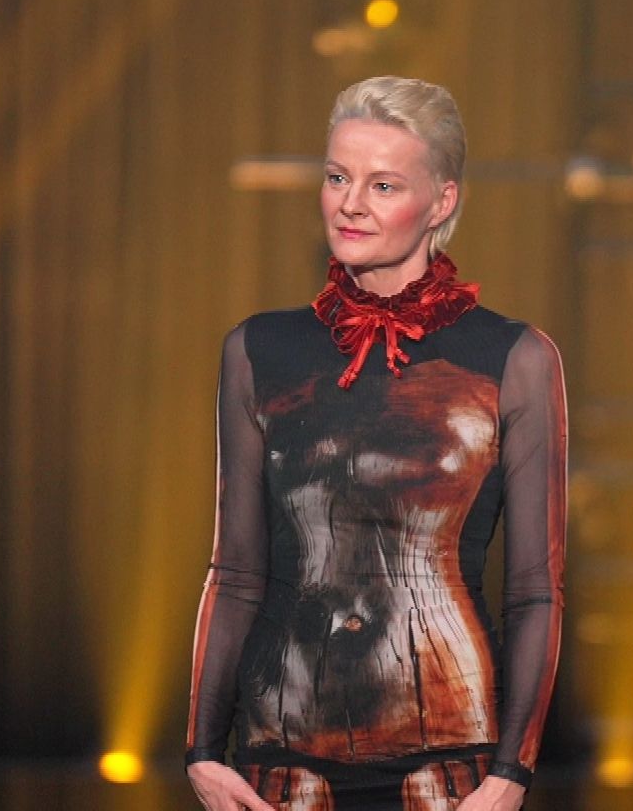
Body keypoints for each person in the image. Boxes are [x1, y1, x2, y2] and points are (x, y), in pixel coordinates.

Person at [184, 76, 567, 811]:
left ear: (442, 202)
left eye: (383, 185)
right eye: (338, 177)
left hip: (450, 758)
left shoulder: (512, 358)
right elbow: (234, 571)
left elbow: (535, 589)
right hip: (279, 755)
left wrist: (511, 775)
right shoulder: (258, 349)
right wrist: (202, 751)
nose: (350, 203)